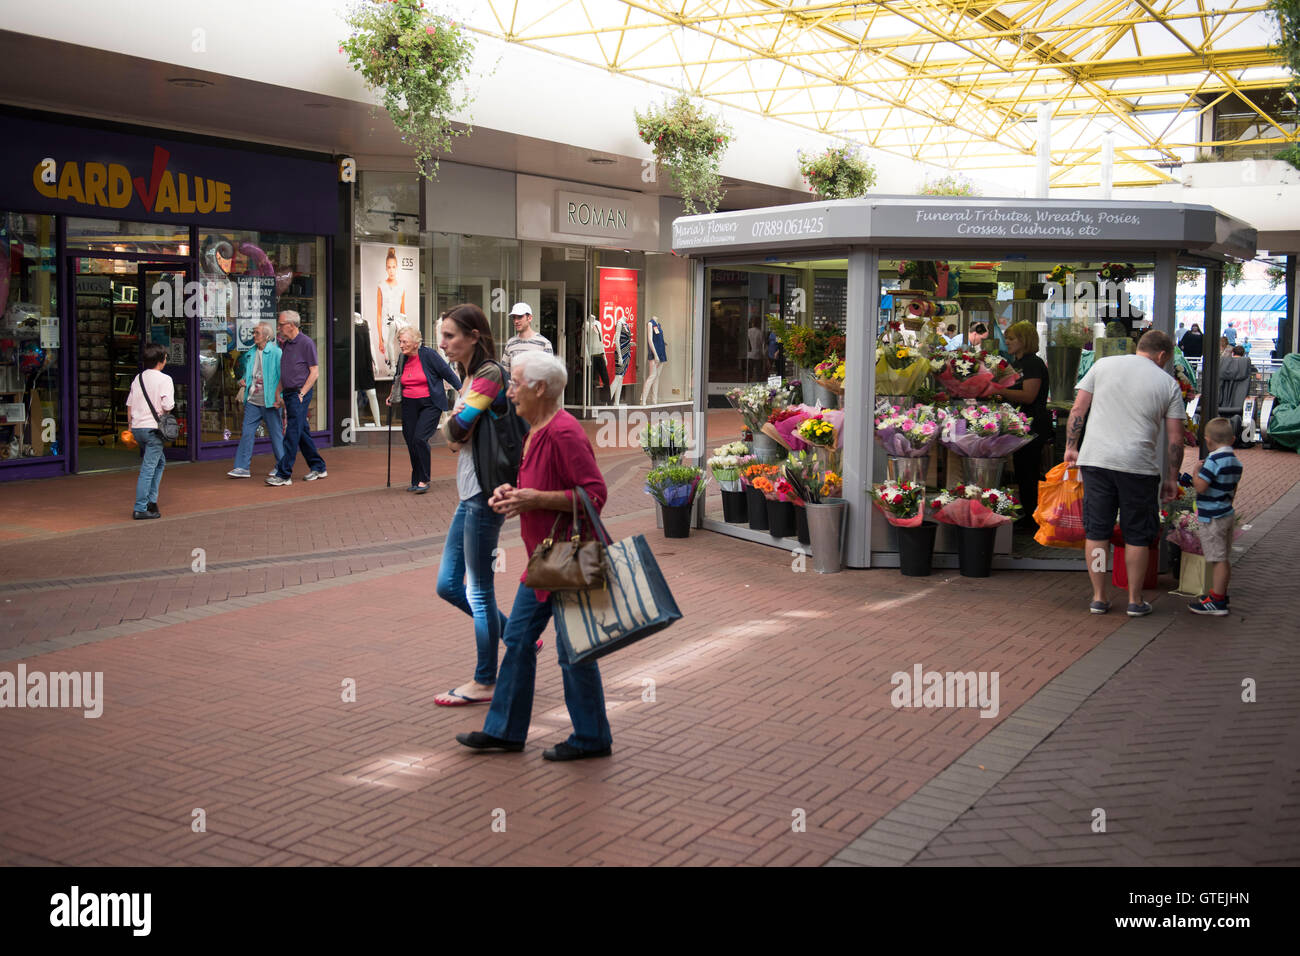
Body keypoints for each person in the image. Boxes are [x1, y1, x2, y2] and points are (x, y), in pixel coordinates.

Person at [456, 351, 613, 760]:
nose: (509, 391)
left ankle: (591, 737)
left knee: (571, 648)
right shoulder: (537, 429)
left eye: (516, 383)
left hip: (568, 555)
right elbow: (538, 487)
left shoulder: (563, 431)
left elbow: (594, 494)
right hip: (546, 558)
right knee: (519, 638)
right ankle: (506, 731)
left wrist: (534, 498)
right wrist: (513, 494)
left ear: (539, 388)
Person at [1064, 329, 1185, 617]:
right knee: (1137, 535)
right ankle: (1134, 599)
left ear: (1139, 347)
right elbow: (1175, 439)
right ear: (1163, 355)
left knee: (1096, 531)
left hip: (1097, 460)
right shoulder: (1168, 384)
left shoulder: (1103, 365)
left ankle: (1098, 597)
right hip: (1138, 466)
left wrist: (1071, 446)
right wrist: (1171, 477)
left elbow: (1079, 408)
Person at [434, 304, 514, 706]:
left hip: (485, 494)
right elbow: (454, 437)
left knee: (479, 591)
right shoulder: (468, 377)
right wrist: (452, 428)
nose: (443, 342)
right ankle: (517, 636)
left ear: (474, 336)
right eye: (442, 335)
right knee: (448, 585)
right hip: (469, 494)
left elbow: (457, 429)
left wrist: (451, 425)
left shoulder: (489, 374)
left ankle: (485, 680)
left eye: (450, 335)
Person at [388, 326, 460, 493]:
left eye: (404, 341)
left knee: (420, 438)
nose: (401, 345)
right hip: (409, 404)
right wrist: (392, 394)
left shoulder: (428, 355)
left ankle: (424, 478)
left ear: (415, 343)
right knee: (411, 440)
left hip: (430, 403)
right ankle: (416, 477)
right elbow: (398, 378)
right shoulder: (402, 358)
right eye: (400, 341)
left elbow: (446, 372)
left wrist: (460, 388)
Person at [999, 321, 1052, 531]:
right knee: (1022, 471)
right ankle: (1028, 515)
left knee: (1028, 471)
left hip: (1033, 424)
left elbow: (1029, 396)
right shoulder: (1019, 363)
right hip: (1023, 424)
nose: (1008, 342)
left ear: (1024, 341)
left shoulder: (1032, 364)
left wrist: (999, 391)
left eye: (1012, 339)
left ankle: (1032, 520)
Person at [1188, 417, 1242, 616]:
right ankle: (1220, 593)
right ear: (1233, 439)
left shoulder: (1213, 460)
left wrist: (1195, 472)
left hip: (1212, 517)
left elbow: (1201, 486)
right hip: (1226, 512)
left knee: (1217, 559)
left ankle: (1217, 601)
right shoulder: (1235, 462)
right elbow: (1233, 489)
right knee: (1223, 557)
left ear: (1208, 440)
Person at [266, 311, 326, 486]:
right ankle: (318, 466)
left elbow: (314, 372)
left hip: (300, 393)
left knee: (292, 432)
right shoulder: (285, 344)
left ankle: (284, 474)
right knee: (301, 433)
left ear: (291, 325)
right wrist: (279, 392)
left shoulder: (306, 343)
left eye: (281, 324)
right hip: (290, 393)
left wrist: (301, 394)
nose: (279, 327)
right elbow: (285, 371)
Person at [228, 322, 284, 478]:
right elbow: (247, 374)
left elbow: (283, 377)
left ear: (266, 336)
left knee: (276, 435)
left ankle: (282, 466)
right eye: (253, 332)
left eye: (257, 333)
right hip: (252, 400)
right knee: (247, 433)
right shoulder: (250, 353)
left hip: (270, 401)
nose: (254, 335)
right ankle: (242, 467)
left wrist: (281, 398)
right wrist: (241, 381)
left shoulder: (276, 353)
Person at [126, 342, 175, 519]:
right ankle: (141, 507)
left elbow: (129, 405)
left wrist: (130, 426)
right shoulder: (165, 379)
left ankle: (151, 501)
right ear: (161, 360)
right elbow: (167, 405)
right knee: (148, 468)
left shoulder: (138, 378)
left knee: (158, 462)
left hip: (138, 428)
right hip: (154, 430)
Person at [374, 246, 407, 378]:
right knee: (388, 348)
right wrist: (380, 340)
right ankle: (392, 367)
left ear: (397, 267)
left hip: (398, 322)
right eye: (389, 267)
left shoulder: (401, 287)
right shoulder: (381, 286)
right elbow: (378, 312)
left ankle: (397, 368)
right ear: (386, 268)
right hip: (386, 324)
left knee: (398, 347)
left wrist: (405, 328)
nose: (391, 270)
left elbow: (403, 310)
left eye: (393, 267)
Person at [502, 302, 552, 372]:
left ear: (530, 318)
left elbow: (549, 374)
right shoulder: (510, 343)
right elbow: (504, 373)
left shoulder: (544, 343)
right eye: (514, 317)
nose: (516, 321)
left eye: (520, 317)